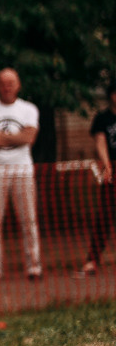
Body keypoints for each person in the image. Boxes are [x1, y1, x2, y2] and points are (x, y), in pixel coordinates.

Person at [0, 67, 41, 281]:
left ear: (18, 85)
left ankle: (34, 267)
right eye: (3, 83)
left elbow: (30, 137)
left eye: (11, 83)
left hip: (23, 170)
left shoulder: (29, 109)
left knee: (29, 220)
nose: (7, 87)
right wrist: (17, 137)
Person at [79, 81, 116, 276]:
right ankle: (92, 260)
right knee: (105, 217)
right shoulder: (103, 118)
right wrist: (107, 165)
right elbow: (100, 141)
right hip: (112, 172)